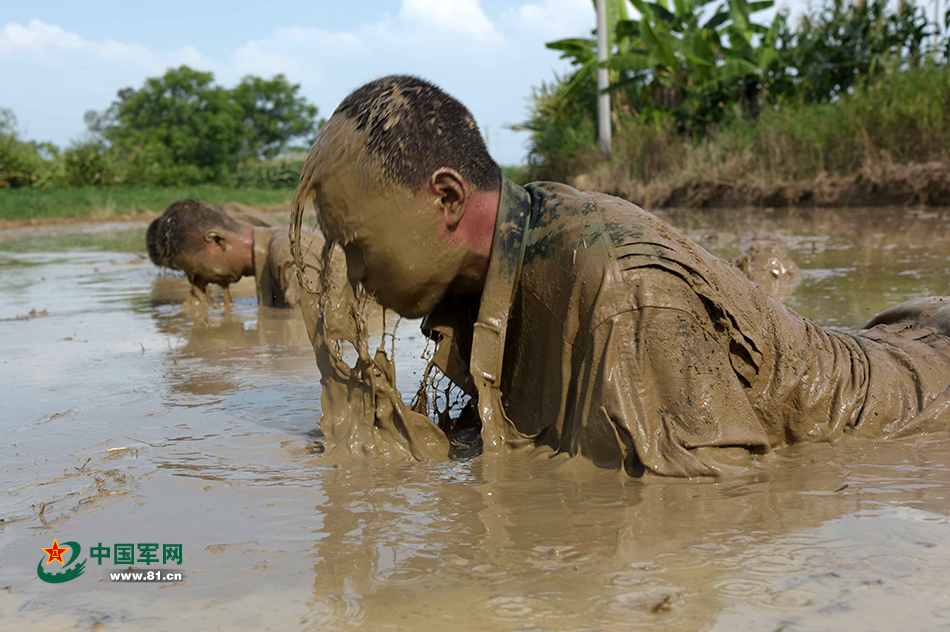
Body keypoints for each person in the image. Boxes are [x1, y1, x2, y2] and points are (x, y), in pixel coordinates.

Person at [293, 75, 950, 477]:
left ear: (446, 199)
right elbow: (458, 433)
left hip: (920, 398)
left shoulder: (617, 289)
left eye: (356, 247)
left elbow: (716, 512)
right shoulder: (484, 271)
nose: (351, 275)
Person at [147, 199, 323, 308]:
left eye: (193, 269)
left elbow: (305, 353)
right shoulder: (274, 258)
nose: (196, 280)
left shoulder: (287, 256)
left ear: (216, 241)